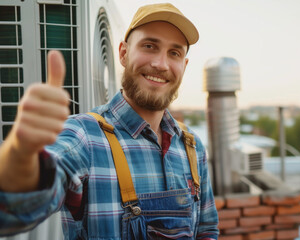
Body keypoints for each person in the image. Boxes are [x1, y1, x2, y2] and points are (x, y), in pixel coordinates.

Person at [0, 3, 219, 239]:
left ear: (184, 66)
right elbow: (12, 211)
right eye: (149, 46)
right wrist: (20, 154)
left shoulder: (192, 146)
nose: (161, 64)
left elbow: (207, 230)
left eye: (174, 53)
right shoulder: (83, 136)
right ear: (123, 53)